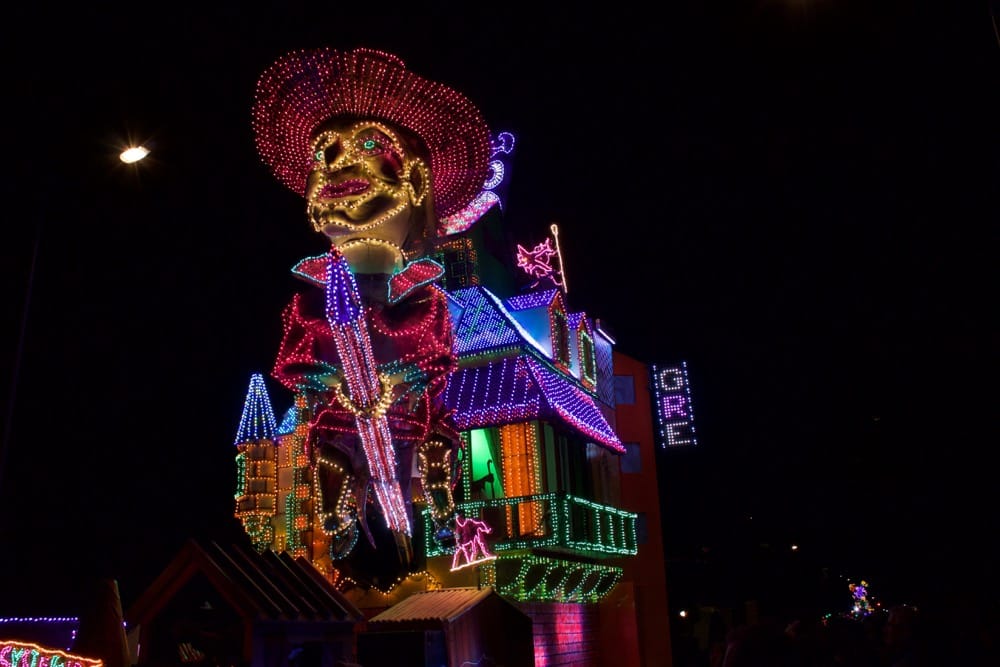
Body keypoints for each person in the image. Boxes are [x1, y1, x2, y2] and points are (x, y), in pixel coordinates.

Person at [251, 47, 491, 575]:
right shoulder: (311, 301)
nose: (337, 163)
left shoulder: (425, 298)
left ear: (416, 183)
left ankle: (440, 508)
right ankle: (339, 520)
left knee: (437, 446)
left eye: (365, 145)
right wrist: (337, 387)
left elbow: (435, 362)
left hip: (406, 418)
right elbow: (297, 366)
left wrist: (394, 383)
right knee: (329, 455)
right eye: (325, 152)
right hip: (344, 415)